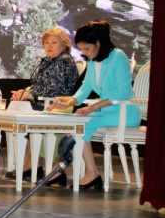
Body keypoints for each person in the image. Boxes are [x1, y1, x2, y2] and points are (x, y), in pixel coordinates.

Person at [48, 20, 140, 190]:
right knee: (76, 123)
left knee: (80, 124)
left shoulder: (118, 57)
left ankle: (78, 171)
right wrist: (71, 100)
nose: (84, 53)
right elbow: (86, 87)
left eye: (87, 49)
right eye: (81, 49)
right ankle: (81, 171)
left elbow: (123, 93)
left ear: (98, 43)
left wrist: (93, 107)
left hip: (124, 112)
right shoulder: (92, 61)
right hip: (106, 112)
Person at [7, 26, 79, 180]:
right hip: (44, 103)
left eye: (54, 42)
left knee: (26, 118)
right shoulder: (48, 61)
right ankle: (31, 165)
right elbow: (39, 85)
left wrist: (30, 94)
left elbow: (55, 90)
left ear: (64, 45)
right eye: (46, 43)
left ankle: (31, 166)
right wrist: (24, 92)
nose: (49, 46)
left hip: (59, 106)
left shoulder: (64, 61)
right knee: (17, 115)